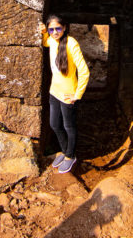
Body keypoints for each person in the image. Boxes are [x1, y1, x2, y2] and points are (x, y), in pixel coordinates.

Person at [39, 15, 90, 174]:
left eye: (58, 28)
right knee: (54, 124)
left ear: (65, 27)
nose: (54, 32)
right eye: (51, 29)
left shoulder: (71, 43)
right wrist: (43, 33)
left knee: (69, 126)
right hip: (54, 91)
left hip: (68, 94)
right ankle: (64, 150)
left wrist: (77, 94)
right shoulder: (52, 40)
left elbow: (84, 71)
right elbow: (45, 42)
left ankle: (70, 156)